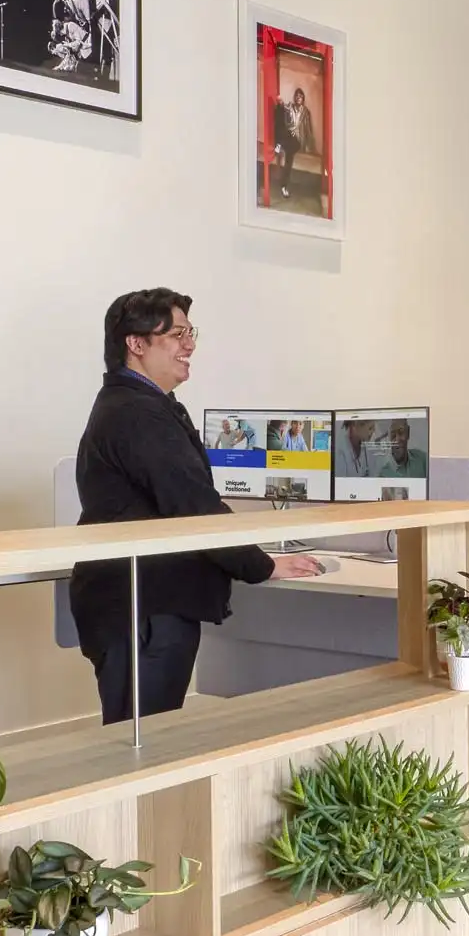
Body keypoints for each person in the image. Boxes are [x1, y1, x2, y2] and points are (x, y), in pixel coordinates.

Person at [69, 289, 327, 724]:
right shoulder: (137, 414)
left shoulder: (143, 405)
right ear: (136, 344)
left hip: (145, 600)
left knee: (145, 734)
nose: (189, 345)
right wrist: (261, 565)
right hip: (143, 605)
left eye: (191, 333)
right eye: (175, 334)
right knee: (143, 743)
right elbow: (193, 506)